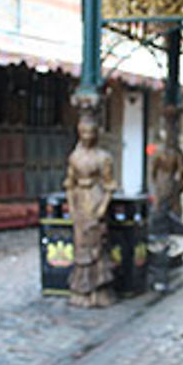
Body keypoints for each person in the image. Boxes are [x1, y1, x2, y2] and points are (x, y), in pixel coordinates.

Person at [64, 113, 117, 307]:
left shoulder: (103, 157)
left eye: (90, 132)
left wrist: (103, 205)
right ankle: (81, 289)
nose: (87, 136)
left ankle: (98, 288)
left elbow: (110, 184)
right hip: (79, 199)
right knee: (81, 243)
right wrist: (71, 205)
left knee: (97, 242)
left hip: (95, 196)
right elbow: (69, 183)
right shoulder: (74, 157)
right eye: (83, 132)